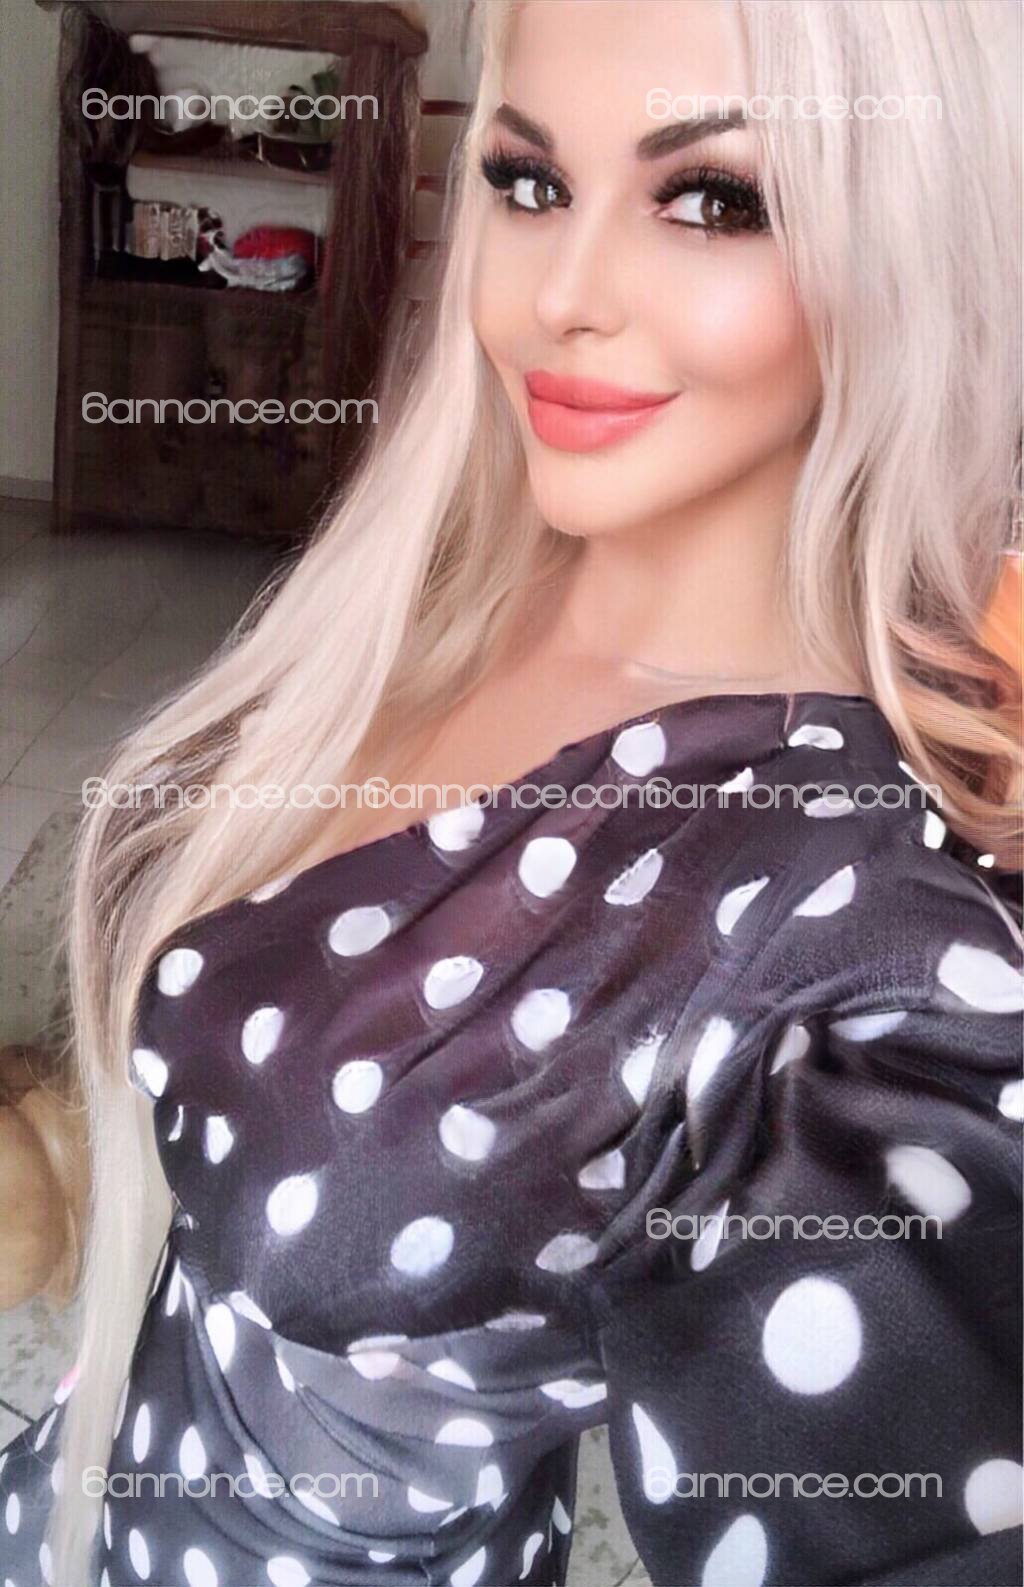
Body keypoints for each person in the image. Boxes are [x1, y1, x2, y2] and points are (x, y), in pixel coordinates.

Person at [2, 2, 1021, 1584]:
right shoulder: (437, 599)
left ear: (914, 245)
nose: (559, 297)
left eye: (714, 200)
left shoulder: (858, 948)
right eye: (532, 184)